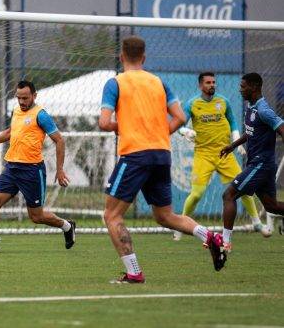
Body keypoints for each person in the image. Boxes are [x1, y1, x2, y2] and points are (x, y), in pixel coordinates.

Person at [99, 36, 226, 283]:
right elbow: (179, 117)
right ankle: (209, 235)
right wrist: (157, 133)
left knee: (112, 215)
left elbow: (104, 123)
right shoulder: (159, 82)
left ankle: (134, 271)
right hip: (161, 154)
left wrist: (121, 126)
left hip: (135, 154)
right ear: (144, 58)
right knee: (164, 216)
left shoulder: (115, 82)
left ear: (121, 57)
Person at [0, 80, 76, 252]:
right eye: (19, 98)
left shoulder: (41, 115)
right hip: (12, 168)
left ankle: (67, 226)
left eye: (25, 98)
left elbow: (59, 140)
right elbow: (10, 132)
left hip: (32, 170)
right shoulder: (16, 111)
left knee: (36, 217)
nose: (21, 102)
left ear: (34, 96)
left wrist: (59, 170)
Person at [174, 72, 270, 241]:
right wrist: (185, 131)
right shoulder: (192, 104)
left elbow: (233, 122)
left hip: (225, 153)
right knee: (197, 194)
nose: (212, 85)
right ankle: (180, 226)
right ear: (200, 86)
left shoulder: (223, 102)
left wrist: (235, 141)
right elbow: (178, 125)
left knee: (243, 187)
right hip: (203, 155)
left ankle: (256, 223)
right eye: (208, 82)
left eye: (214, 82)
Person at [220, 73, 284, 252]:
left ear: (254, 87)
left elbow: (281, 129)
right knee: (271, 205)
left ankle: (225, 243)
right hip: (259, 164)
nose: (240, 89)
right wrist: (232, 146)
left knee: (228, 196)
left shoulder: (264, 110)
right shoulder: (251, 106)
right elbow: (251, 132)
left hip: (261, 164)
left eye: (243, 86)